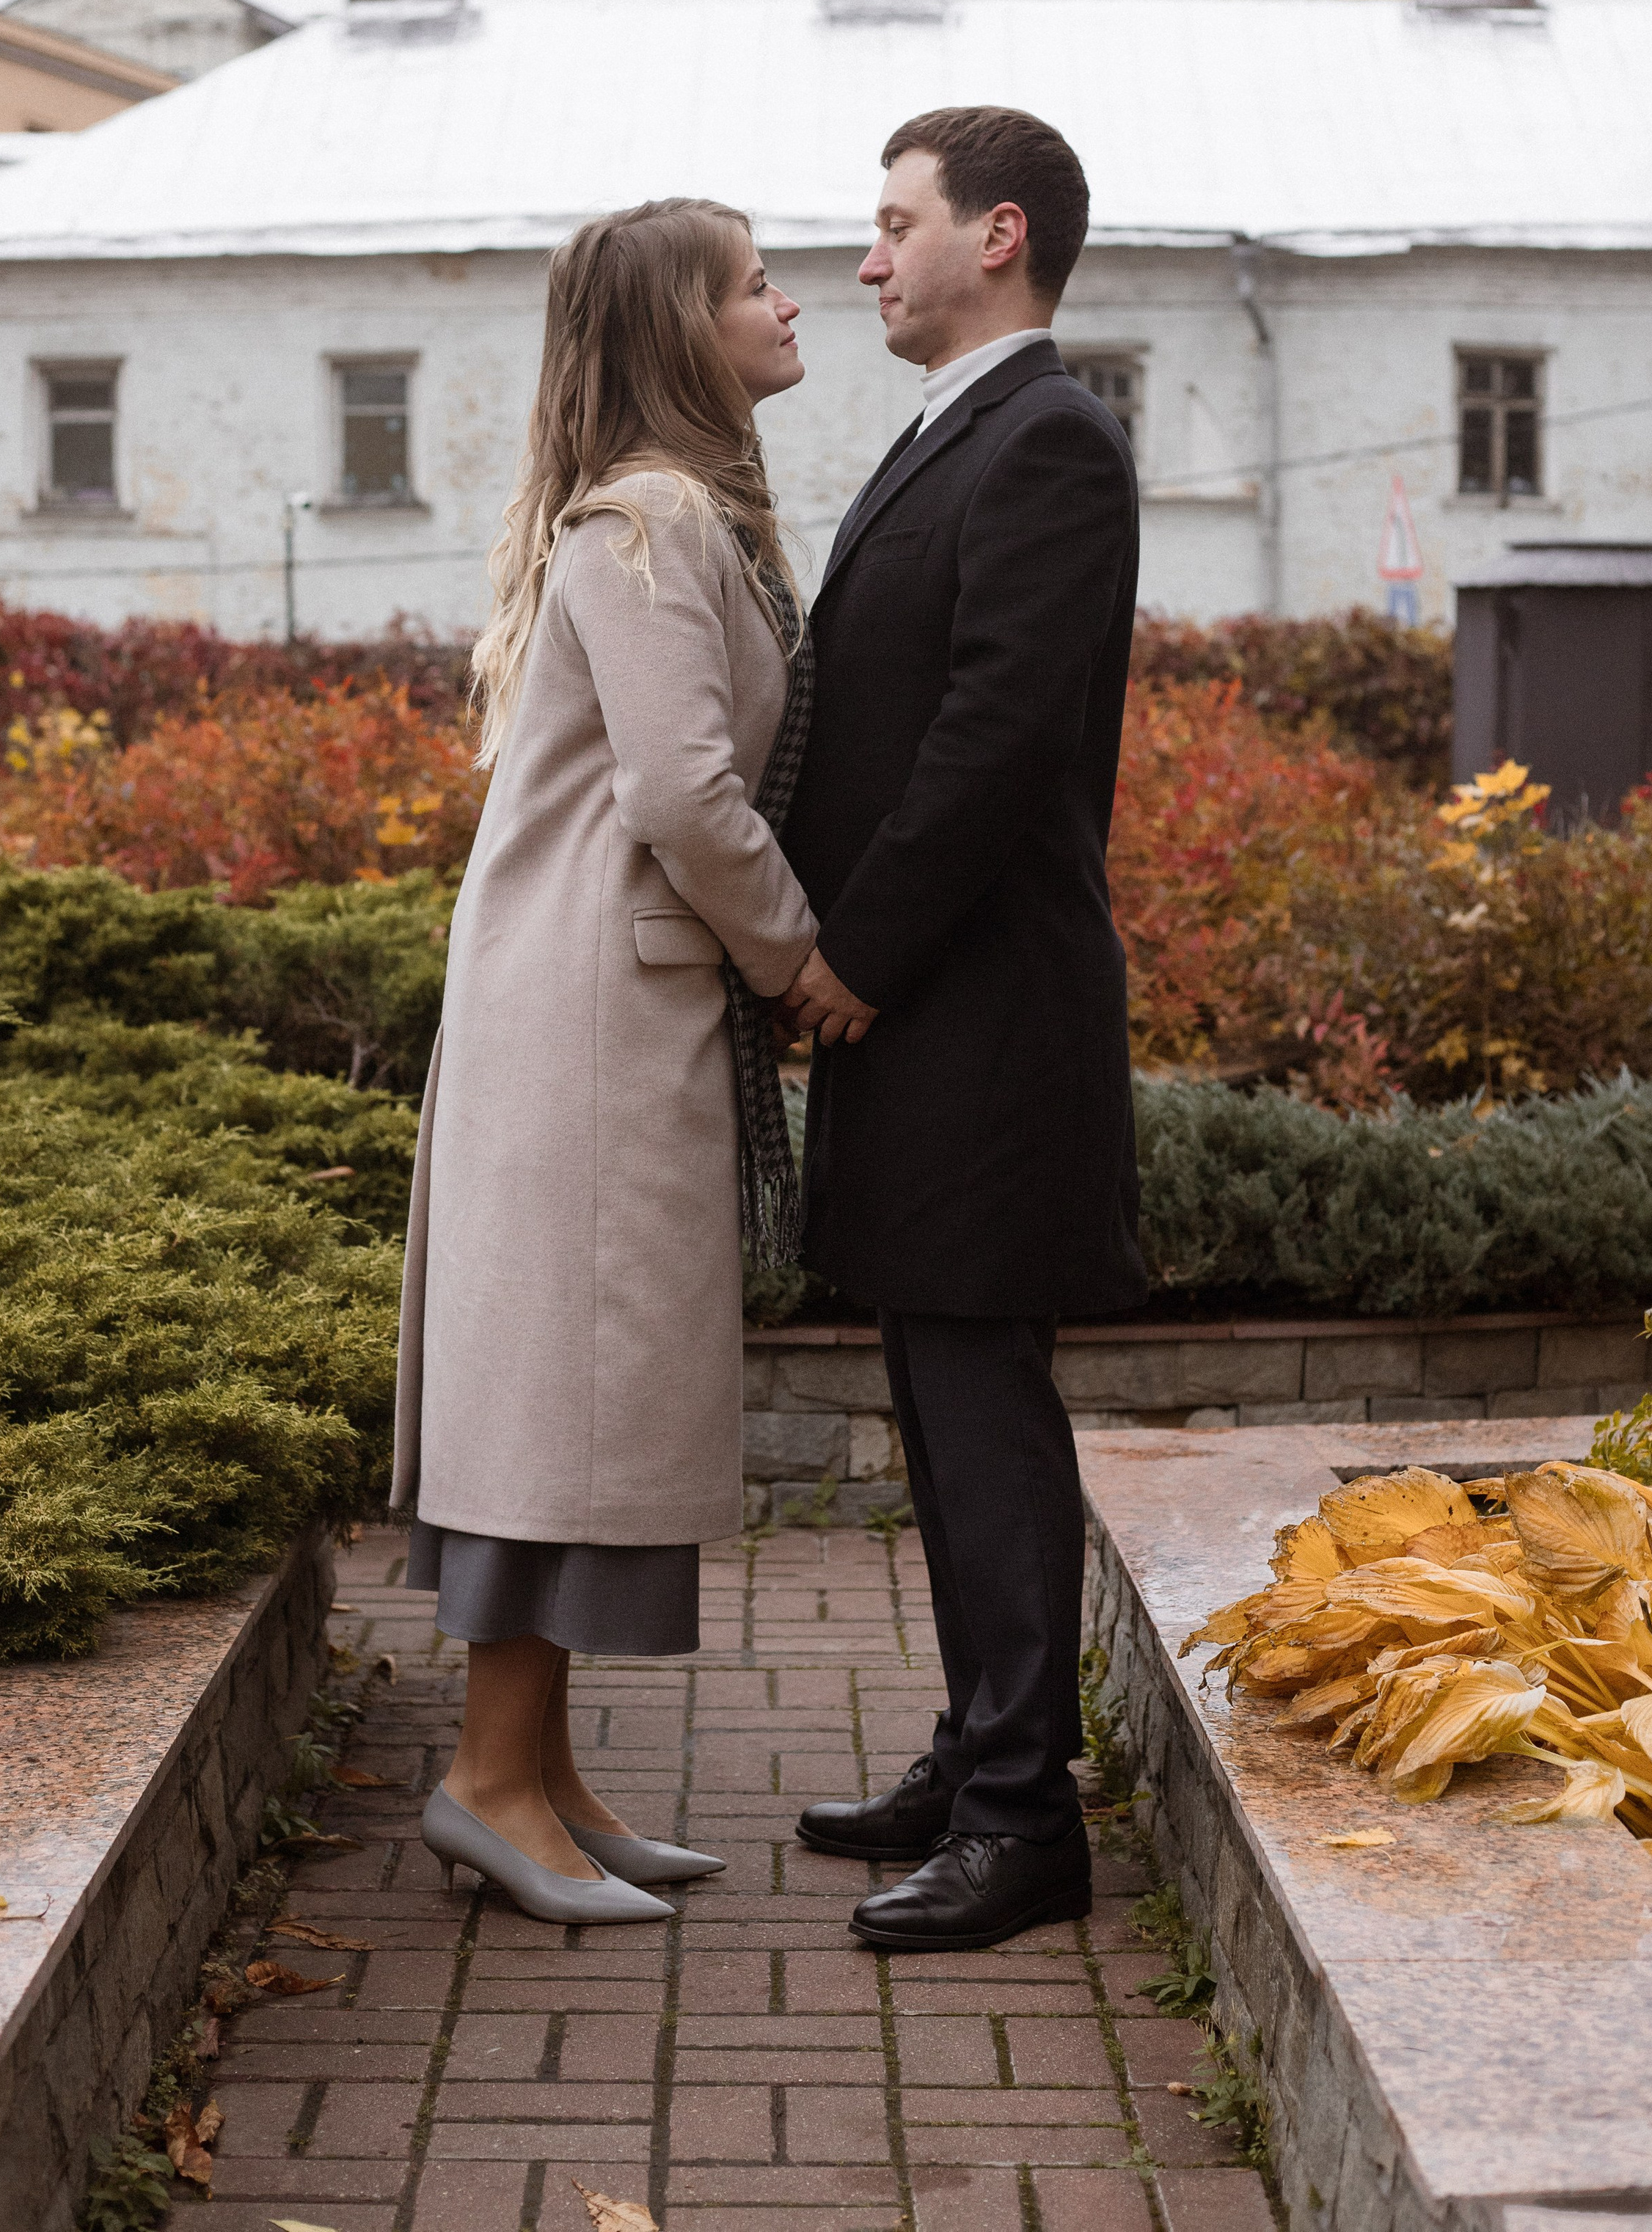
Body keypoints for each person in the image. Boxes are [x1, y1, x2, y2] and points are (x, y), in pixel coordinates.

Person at [391, 197, 818, 1926]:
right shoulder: (646, 523)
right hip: (591, 1018)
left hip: (590, 1005)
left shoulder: (661, 518)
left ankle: (540, 1784)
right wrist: (799, 954)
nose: (791, 301)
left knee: (562, 1391)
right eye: (752, 284)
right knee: (562, 1400)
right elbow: (680, 795)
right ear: (676, 333)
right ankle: (492, 1785)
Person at [780, 104, 1146, 1953]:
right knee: (939, 1401)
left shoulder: (1050, 441)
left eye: (890, 222)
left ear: (994, 236)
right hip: (930, 1013)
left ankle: (1022, 1821)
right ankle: (973, 1750)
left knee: (984, 1409)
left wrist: (849, 951)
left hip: (982, 1015)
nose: (864, 258)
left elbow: (993, 737)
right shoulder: (948, 435)